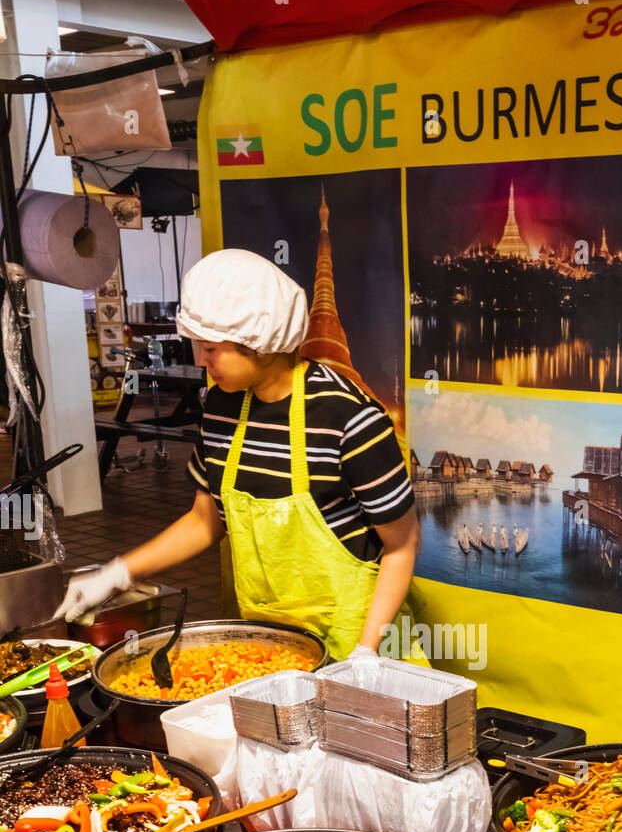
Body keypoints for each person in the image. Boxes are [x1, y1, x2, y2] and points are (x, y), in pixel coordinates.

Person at [56, 249, 421, 661]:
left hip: (360, 638)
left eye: (211, 348)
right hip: (273, 640)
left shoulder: (348, 417)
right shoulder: (220, 406)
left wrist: (366, 653)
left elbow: (402, 545)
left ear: (261, 345)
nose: (199, 360)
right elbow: (204, 520)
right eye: (196, 345)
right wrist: (117, 574)